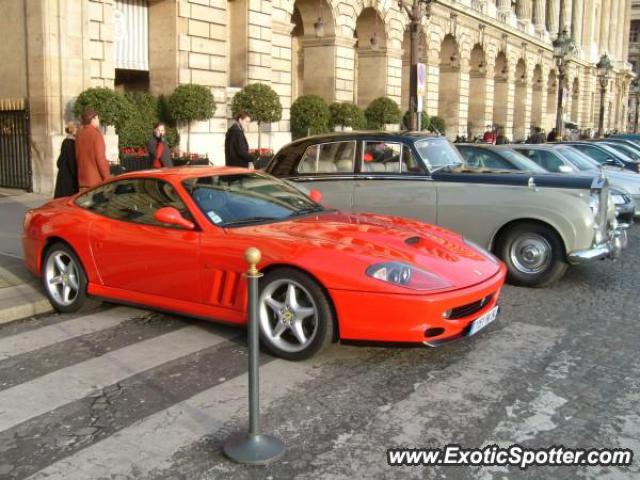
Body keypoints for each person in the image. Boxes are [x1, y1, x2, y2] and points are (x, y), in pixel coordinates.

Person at [75, 107, 111, 191]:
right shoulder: (96, 135)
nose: (99, 120)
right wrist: (108, 179)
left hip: (82, 180)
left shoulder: (79, 134)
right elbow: (100, 159)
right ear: (93, 119)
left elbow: (78, 156)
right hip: (95, 182)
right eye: (97, 118)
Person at [53, 122, 79, 198]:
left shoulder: (65, 141)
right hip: (68, 177)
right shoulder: (71, 143)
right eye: (77, 128)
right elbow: (71, 162)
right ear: (73, 130)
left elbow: (59, 161)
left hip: (63, 173)